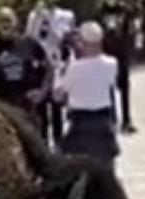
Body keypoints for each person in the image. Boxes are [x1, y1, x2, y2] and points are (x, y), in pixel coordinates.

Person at [53, 21, 120, 169]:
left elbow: (58, 95)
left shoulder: (74, 67)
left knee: (69, 167)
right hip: (103, 121)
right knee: (108, 168)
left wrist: (59, 72)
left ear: (83, 43)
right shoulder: (112, 63)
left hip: (80, 122)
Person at [0, 7, 51, 125]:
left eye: (8, 20)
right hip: (5, 107)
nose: (5, 24)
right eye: (1, 21)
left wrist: (43, 91)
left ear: (15, 22)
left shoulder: (29, 44)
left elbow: (49, 68)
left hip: (29, 106)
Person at [25, 0, 76, 146]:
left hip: (58, 65)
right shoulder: (34, 15)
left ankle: (59, 143)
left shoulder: (66, 16)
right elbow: (30, 38)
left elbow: (67, 40)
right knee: (40, 109)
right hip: (40, 66)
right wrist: (38, 18)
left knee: (56, 107)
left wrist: (51, 23)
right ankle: (44, 144)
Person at [98, 0, 137, 133]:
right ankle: (111, 120)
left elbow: (130, 33)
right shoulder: (101, 11)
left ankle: (126, 120)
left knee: (124, 86)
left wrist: (130, 52)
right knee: (108, 88)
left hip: (121, 54)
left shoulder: (124, 10)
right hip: (106, 53)